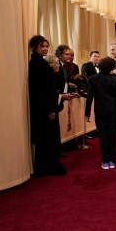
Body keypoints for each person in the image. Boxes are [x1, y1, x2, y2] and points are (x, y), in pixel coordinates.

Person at [27, 36, 70, 176]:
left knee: (47, 139)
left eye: (46, 46)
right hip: (44, 109)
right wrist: (50, 109)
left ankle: (46, 166)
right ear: (34, 47)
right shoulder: (36, 64)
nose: (45, 48)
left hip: (45, 107)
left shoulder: (39, 62)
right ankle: (47, 167)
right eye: (42, 46)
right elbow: (41, 90)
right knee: (46, 139)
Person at [85, 57, 116, 169]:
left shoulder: (92, 79)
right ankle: (112, 160)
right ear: (112, 67)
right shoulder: (115, 80)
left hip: (100, 111)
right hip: (113, 111)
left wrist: (87, 113)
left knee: (103, 136)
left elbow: (89, 97)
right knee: (111, 135)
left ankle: (105, 161)